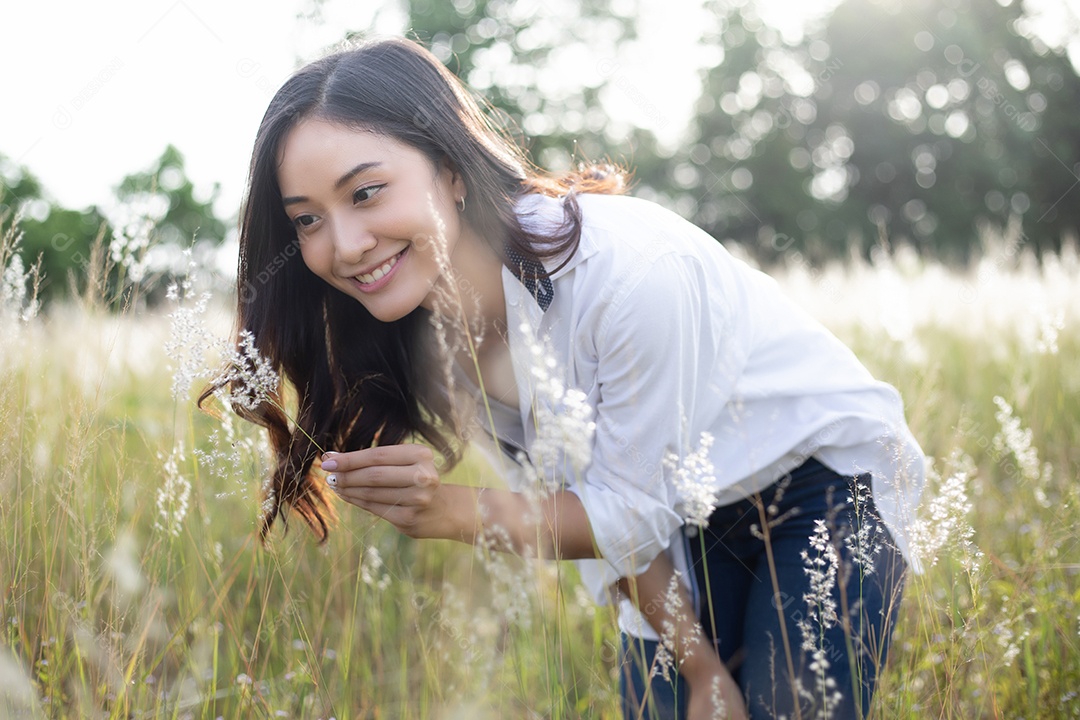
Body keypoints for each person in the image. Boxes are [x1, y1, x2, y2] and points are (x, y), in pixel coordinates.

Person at [208, 36, 925, 719]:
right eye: (307, 221)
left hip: (817, 486)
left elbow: (626, 510)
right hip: (675, 515)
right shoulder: (415, 329)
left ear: (451, 170)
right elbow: (605, 514)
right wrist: (702, 672)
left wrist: (452, 514)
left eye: (365, 193)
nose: (344, 245)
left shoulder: (628, 276)